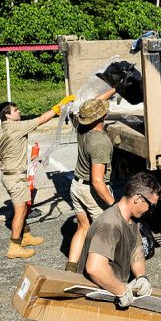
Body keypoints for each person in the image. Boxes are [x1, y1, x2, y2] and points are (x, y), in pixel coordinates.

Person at [77, 172, 161, 321]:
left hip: (115, 295)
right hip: (97, 300)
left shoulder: (131, 221)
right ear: (138, 198)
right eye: (151, 206)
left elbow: (136, 251)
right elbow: (94, 268)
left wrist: (142, 277)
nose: (150, 211)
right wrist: (122, 291)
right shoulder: (110, 224)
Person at [0, 94, 75, 259]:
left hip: (8, 176)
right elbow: (42, 119)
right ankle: (14, 247)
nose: (19, 111)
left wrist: (3, 158)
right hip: (16, 178)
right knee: (20, 212)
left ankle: (25, 236)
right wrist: (60, 106)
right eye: (15, 110)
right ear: (7, 115)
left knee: (25, 207)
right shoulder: (18, 127)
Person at [65, 89, 118, 272]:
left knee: (83, 227)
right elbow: (97, 181)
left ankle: (71, 268)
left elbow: (88, 106)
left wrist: (114, 89)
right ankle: (99, 272)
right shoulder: (100, 143)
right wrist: (113, 205)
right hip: (90, 191)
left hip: (76, 186)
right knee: (103, 234)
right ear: (102, 117)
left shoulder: (81, 126)